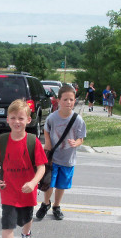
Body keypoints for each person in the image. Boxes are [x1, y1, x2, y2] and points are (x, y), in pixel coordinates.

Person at [0, 99, 48, 238]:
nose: (16, 122)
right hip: (8, 191)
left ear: (29, 120)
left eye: (21, 118)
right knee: (7, 225)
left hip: (26, 192)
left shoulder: (33, 141)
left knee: (25, 220)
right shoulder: (2, 140)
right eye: (13, 118)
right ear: (7, 119)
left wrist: (33, 183)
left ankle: (27, 234)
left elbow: (42, 167)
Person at [36, 85, 86, 221]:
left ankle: (56, 206)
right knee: (48, 184)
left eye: (71, 99)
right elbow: (46, 129)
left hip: (68, 159)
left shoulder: (78, 120)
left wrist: (77, 143)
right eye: (65, 99)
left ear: (74, 101)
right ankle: (45, 204)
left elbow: (81, 137)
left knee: (61, 185)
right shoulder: (52, 117)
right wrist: (47, 141)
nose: (68, 102)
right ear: (58, 100)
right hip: (53, 158)